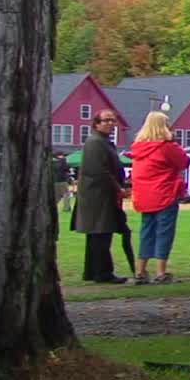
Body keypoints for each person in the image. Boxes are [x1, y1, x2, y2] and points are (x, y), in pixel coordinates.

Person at [129, 112, 190, 285]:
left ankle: (140, 271)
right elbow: (184, 162)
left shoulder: (138, 148)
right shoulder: (166, 147)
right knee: (164, 232)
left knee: (146, 232)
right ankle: (161, 272)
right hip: (165, 193)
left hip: (144, 196)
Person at [73, 111, 128, 283]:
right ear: (96, 123)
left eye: (113, 120)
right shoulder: (95, 142)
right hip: (97, 195)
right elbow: (99, 170)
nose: (111, 123)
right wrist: (118, 188)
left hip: (100, 194)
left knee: (97, 235)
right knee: (101, 233)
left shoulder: (102, 142)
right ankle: (103, 272)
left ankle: (91, 271)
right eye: (106, 120)